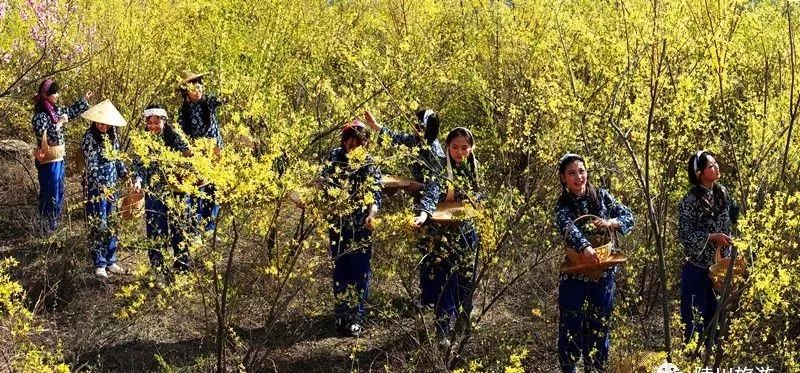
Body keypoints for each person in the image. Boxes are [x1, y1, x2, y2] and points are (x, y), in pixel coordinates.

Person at [553, 153, 634, 372]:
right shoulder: (562, 205)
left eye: (582, 171)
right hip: (575, 274)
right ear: (563, 178)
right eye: (572, 173)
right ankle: (570, 368)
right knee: (571, 325)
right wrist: (584, 246)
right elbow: (567, 226)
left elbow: (628, 217)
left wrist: (611, 222)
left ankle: (596, 368)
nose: (579, 177)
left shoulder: (602, 196)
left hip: (604, 272)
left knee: (600, 325)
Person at [363, 109, 444, 308]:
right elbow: (396, 138)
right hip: (421, 203)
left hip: (438, 207)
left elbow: (440, 184)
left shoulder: (434, 151)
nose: (414, 128)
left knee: (435, 250)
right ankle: (427, 297)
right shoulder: (416, 142)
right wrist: (375, 126)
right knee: (424, 248)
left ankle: (436, 298)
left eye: (418, 125)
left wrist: (421, 187)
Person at [413, 127, 481, 347]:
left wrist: (477, 200)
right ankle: (443, 329)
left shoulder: (474, 166)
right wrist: (424, 214)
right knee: (445, 279)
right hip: (443, 232)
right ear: (447, 147)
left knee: (465, 279)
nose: (459, 152)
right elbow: (432, 191)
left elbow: (480, 192)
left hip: (467, 230)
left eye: (464, 148)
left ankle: (463, 319)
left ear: (470, 148)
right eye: (454, 147)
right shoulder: (441, 167)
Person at [318, 119, 382, 337]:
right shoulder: (334, 157)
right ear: (344, 141)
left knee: (360, 271)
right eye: (350, 144)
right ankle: (342, 313)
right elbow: (322, 183)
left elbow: (375, 194)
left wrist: (371, 215)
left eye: (358, 144)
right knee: (340, 268)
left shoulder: (370, 163)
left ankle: (357, 316)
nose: (353, 148)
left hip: (361, 225)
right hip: (338, 224)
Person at [678, 150, 739, 346]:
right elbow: (685, 237)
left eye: (715, 163)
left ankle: (713, 361)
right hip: (697, 270)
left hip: (720, 269)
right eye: (711, 166)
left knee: (718, 319)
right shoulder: (689, 201)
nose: (716, 167)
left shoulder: (721, 192)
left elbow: (732, 219)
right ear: (699, 173)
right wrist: (712, 237)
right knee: (695, 321)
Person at [132, 104, 193, 274]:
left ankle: (182, 267)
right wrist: (138, 180)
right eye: (149, 123)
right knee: (156, 230)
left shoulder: (175, 137)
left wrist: (182, 168)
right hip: (154, 190)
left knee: (179, 229)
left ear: (164, 121)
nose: (152, 126)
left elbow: (190, 156)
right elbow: (138, 165)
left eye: (156, 122)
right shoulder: (143, 140)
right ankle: (158, 268)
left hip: (177, 190)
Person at [31, 78, 92, 234]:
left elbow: (69, 112)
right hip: (47, 161)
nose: (57, 95)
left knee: (58, 191)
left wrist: (84, 100)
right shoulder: (40, 116)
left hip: (57, 158)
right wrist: (59, 124)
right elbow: (45, 136)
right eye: (54, 93)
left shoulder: (54, 109)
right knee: (49, 191)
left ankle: (53, 226)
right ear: (47, 95)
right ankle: (46, 229)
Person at [80, 99, 128, 278]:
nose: (103, 126)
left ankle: (111, 260)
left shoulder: (113, 134)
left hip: (113, 185)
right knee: (98, 224)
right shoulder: (89, 137)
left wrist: (125, 174)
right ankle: (99, 262)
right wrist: (101, 187)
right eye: (100, 122)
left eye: (106, 123)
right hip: (96, 188)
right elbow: (91, 165)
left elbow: (116, 159)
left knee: (112, 223)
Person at [176, 70, 223, 233]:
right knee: (199, 190)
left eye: (200, 86)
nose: (198, 90)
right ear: (186, 91)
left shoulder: (209, 102)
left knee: (216, 188)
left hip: (215, 151)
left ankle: (209, 226)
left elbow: (222, 99)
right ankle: (196, 226)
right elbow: (181, 135)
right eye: (193, 87)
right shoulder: (182, 112)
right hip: (198, 155)